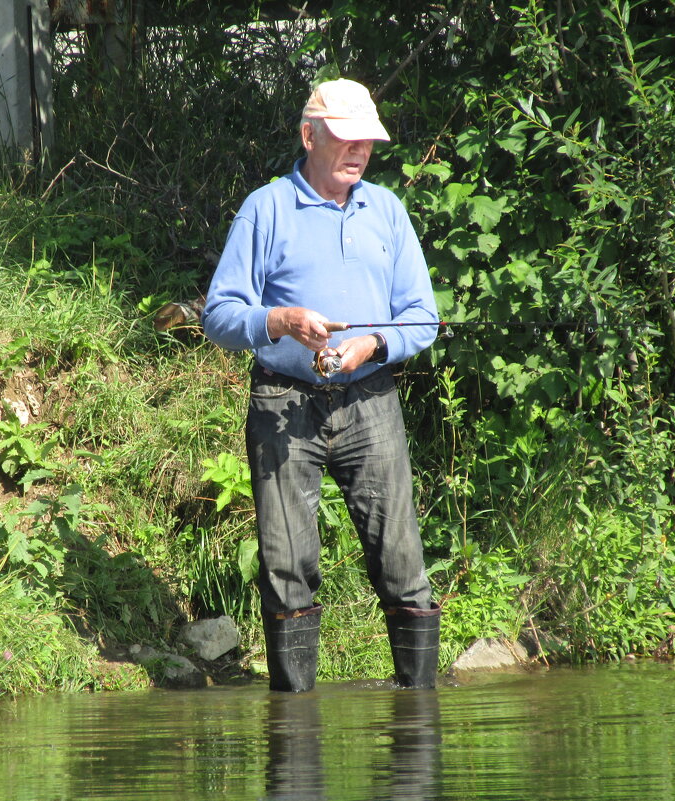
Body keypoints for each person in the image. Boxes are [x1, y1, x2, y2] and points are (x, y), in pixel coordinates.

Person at [201, 78, 441, 692]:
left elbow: (421, 317)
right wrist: (277, 321)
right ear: (310, 136)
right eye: (345, 137)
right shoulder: (266, 207)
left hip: (371, 400)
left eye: (367, 139)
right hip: (283, 404)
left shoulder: (387, 209)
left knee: (402, 562)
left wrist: (373, 344)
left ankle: (419, 711)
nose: (359, 150)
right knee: (286, 567)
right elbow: (219, 315)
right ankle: (294, 725)